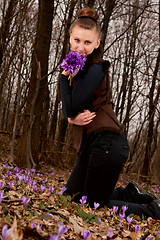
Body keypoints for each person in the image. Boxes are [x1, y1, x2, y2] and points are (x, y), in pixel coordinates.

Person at [60, 7, 160, 220]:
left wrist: (63, 78)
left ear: (97, 44)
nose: (80, 47)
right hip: (94, 145)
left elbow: (70, 107)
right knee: (71, 196)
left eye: (88, 43)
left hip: (108, 145)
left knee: (95, 204)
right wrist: (70, 117)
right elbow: (69, 109)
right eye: (77, 40)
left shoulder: (96, 68)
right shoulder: (81, 70)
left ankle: (154, 211)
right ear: (70, 39)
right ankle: (128, 194)